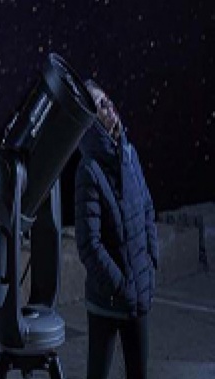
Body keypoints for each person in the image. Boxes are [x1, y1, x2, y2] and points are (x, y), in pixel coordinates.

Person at [75, 79, 158, 379]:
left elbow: (147, 209)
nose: (109, 106)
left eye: (107, 99)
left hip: (139, 293)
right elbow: (89, 244)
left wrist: (151, 262)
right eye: (100, 105)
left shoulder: (130, 155)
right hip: (108, 300)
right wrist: (121, 286)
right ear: (90, 119)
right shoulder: (88, 170)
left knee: (138, 373)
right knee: (98, 373)